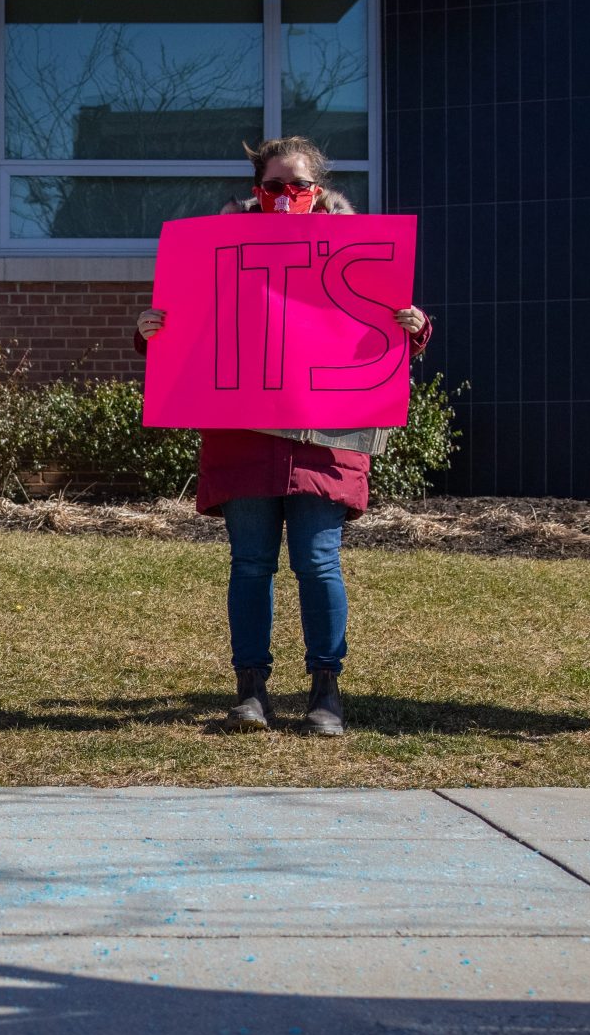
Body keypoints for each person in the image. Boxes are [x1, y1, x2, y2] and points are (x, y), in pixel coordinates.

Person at [136, 138, 432, 736]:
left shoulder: (359, 253)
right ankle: (251, 693)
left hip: (325, 438)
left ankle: (326, 693)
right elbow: (192, 334)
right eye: (273, 187)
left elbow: (377, 333)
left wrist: (414, 326)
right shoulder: (216, 250)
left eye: (298, 186)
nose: (285, 198)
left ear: (317, 191)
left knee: (318, 563)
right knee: (250, 565)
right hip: (243, 436)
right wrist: (153, 331)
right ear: (256, 189)